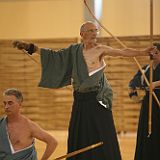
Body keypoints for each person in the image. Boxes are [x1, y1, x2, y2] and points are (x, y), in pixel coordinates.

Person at [12, 21, 157, 160]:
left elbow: (122, 52)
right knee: (79, 133)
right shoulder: (74, 51)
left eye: (96, 30)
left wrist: (143, 52)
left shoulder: (100, 49)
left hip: (96, 98)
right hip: (80, 99)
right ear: (82, 34)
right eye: (90, 30)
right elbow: (54, 56)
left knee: (101, 133)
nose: (94, 33)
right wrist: (31, 47)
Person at [0, 88, 58, 160]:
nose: (6, 107)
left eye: (10, 103)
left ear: (20, 105)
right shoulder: (1, 124)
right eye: (4, 103)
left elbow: (52, 142)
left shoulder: (29, 126)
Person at [129, 42, 160, 160]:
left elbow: (154, 84)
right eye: (151, 52)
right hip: (148, 105)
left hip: (158, 102)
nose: (153, 54)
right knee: (147, 132)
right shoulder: (146, 69)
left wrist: (156, 83)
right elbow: (133, 83)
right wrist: (135, 95)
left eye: (156, 52)